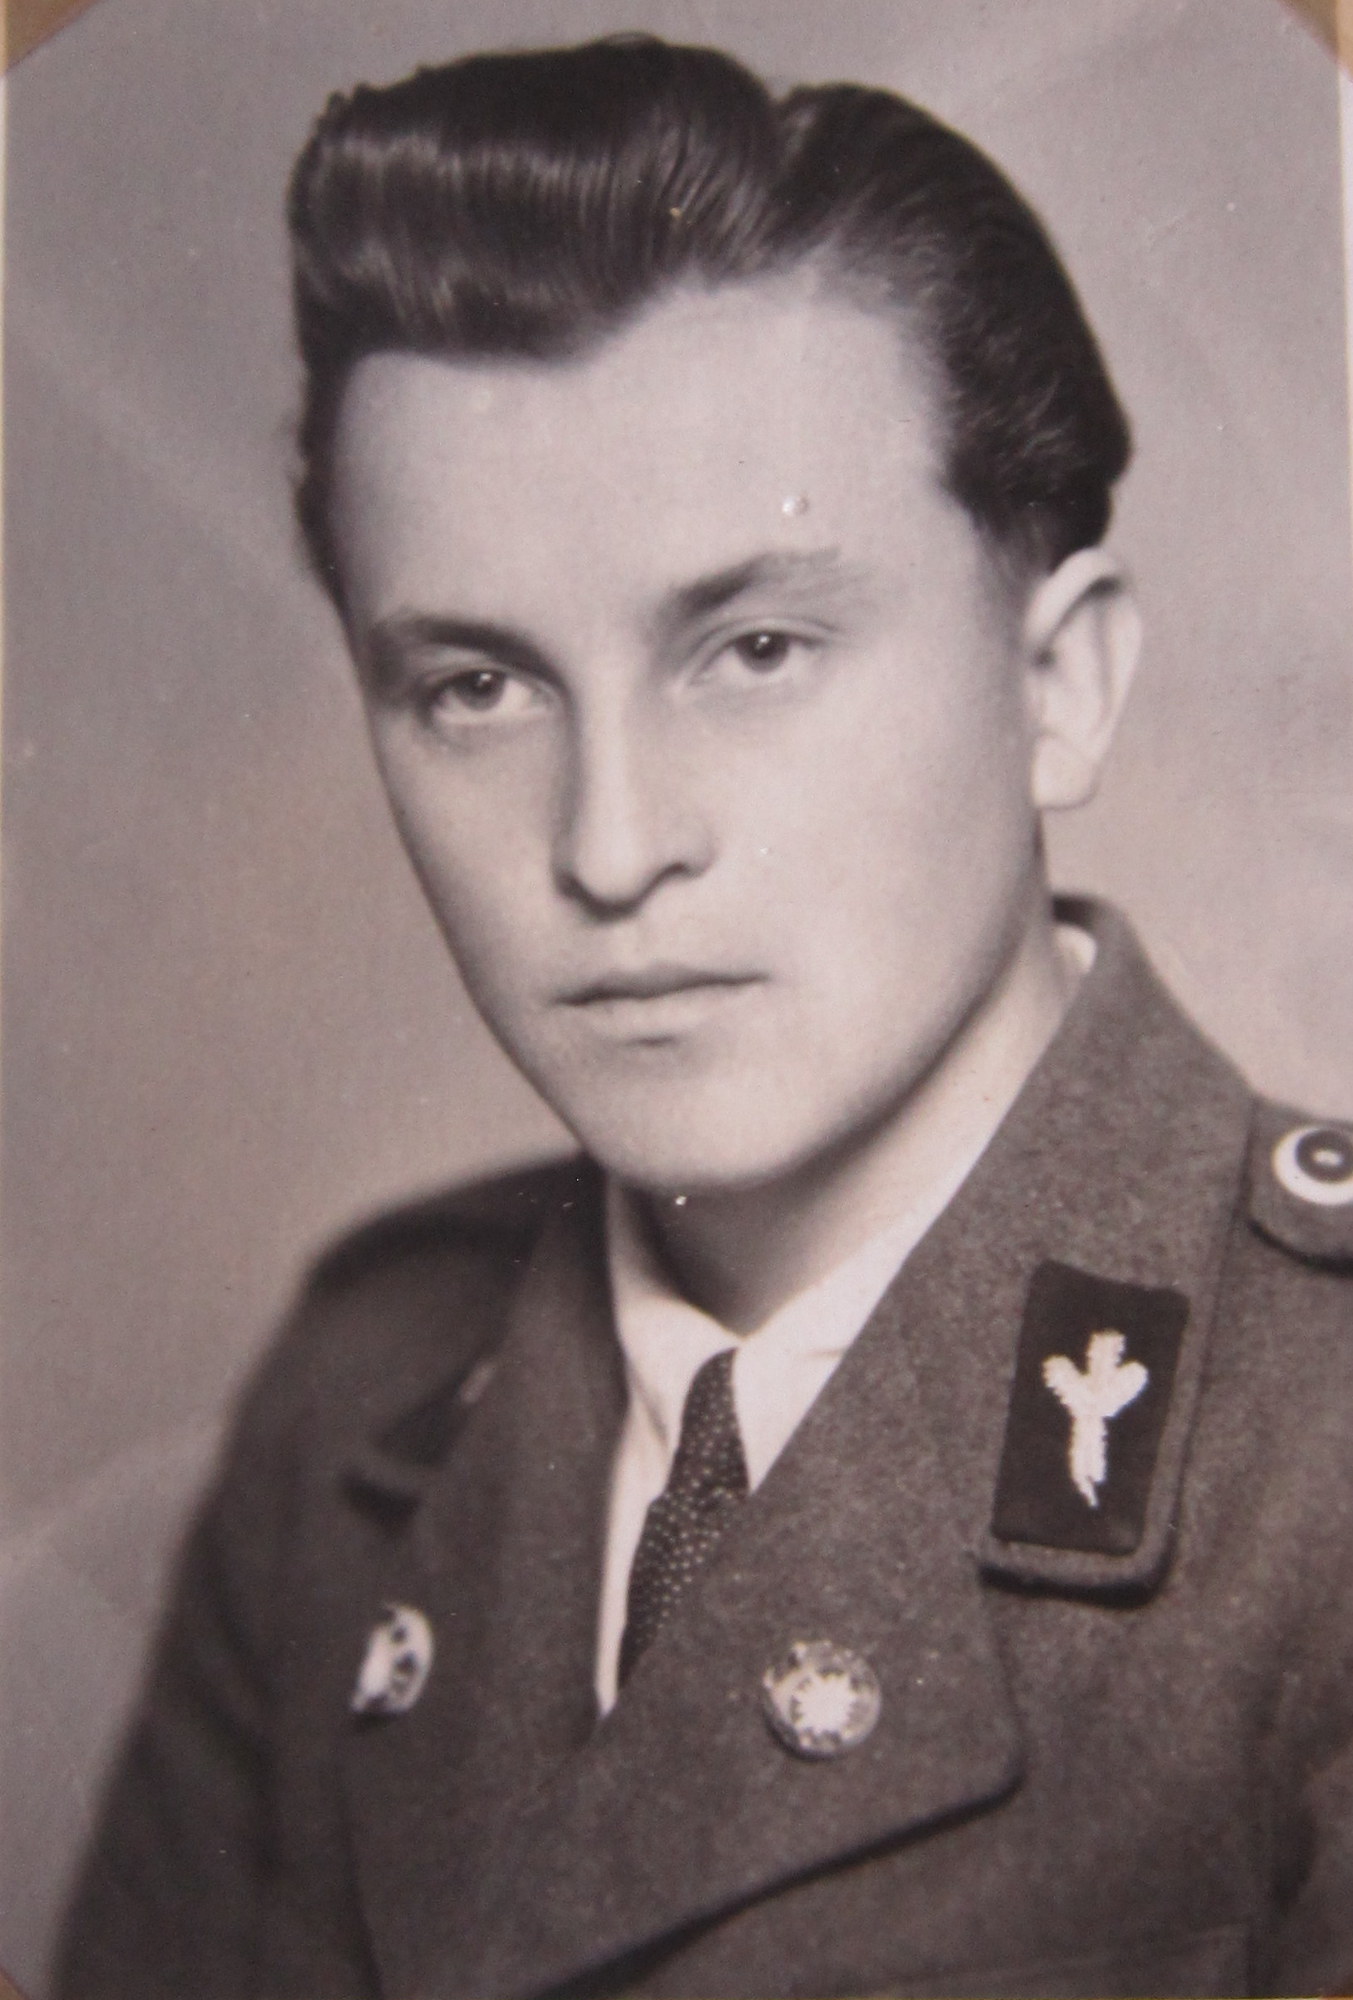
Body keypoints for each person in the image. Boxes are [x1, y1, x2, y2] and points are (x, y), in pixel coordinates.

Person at [57, 33, 1353, 2000]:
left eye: (752, 647)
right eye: (475, 687)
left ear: (1061, 685)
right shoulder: (353, 1402)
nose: (607, 844)